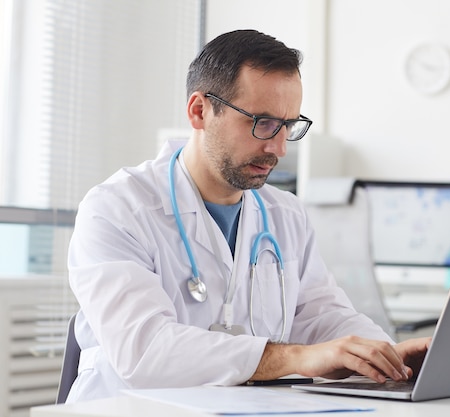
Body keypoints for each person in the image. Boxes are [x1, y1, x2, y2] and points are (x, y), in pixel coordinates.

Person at [66, 29, 430, 403]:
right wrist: (297, 357)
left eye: (288, 125)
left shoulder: (285, 215)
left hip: (244, 408)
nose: (279, 147)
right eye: (262, 123)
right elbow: (144, 351)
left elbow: (322, 314)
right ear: (199, 111)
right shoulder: (117, 208)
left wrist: (385, 356)